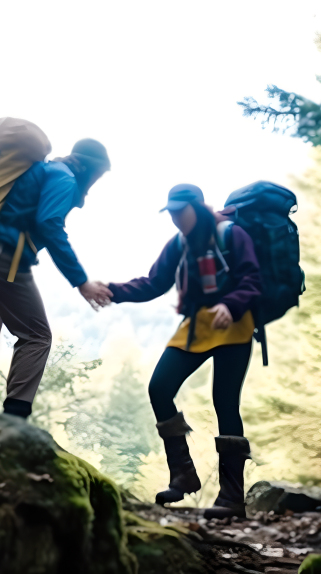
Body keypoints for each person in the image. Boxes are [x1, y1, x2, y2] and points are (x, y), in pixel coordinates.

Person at [107, 184, 262, 519]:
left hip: (235, 326)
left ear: (197, 208)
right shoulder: (179, 243)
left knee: (225, 403)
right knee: (160, 387)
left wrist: (230, 305)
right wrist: (111, 291)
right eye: (172, 213)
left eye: (181, 211)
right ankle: (183, 475)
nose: (176, 218)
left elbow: (252, 279)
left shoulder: (231, 234)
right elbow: (154, 283)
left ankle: (232, 498)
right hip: (196, 326)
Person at [0, 139, 114, 419]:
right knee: (37, 336)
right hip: (4, 256)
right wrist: (82, 282)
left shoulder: (45, 170)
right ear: (89, 167)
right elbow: (49, 223)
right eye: (98, 174)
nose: (95, 182)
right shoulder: (64, 178)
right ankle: (15, 415)